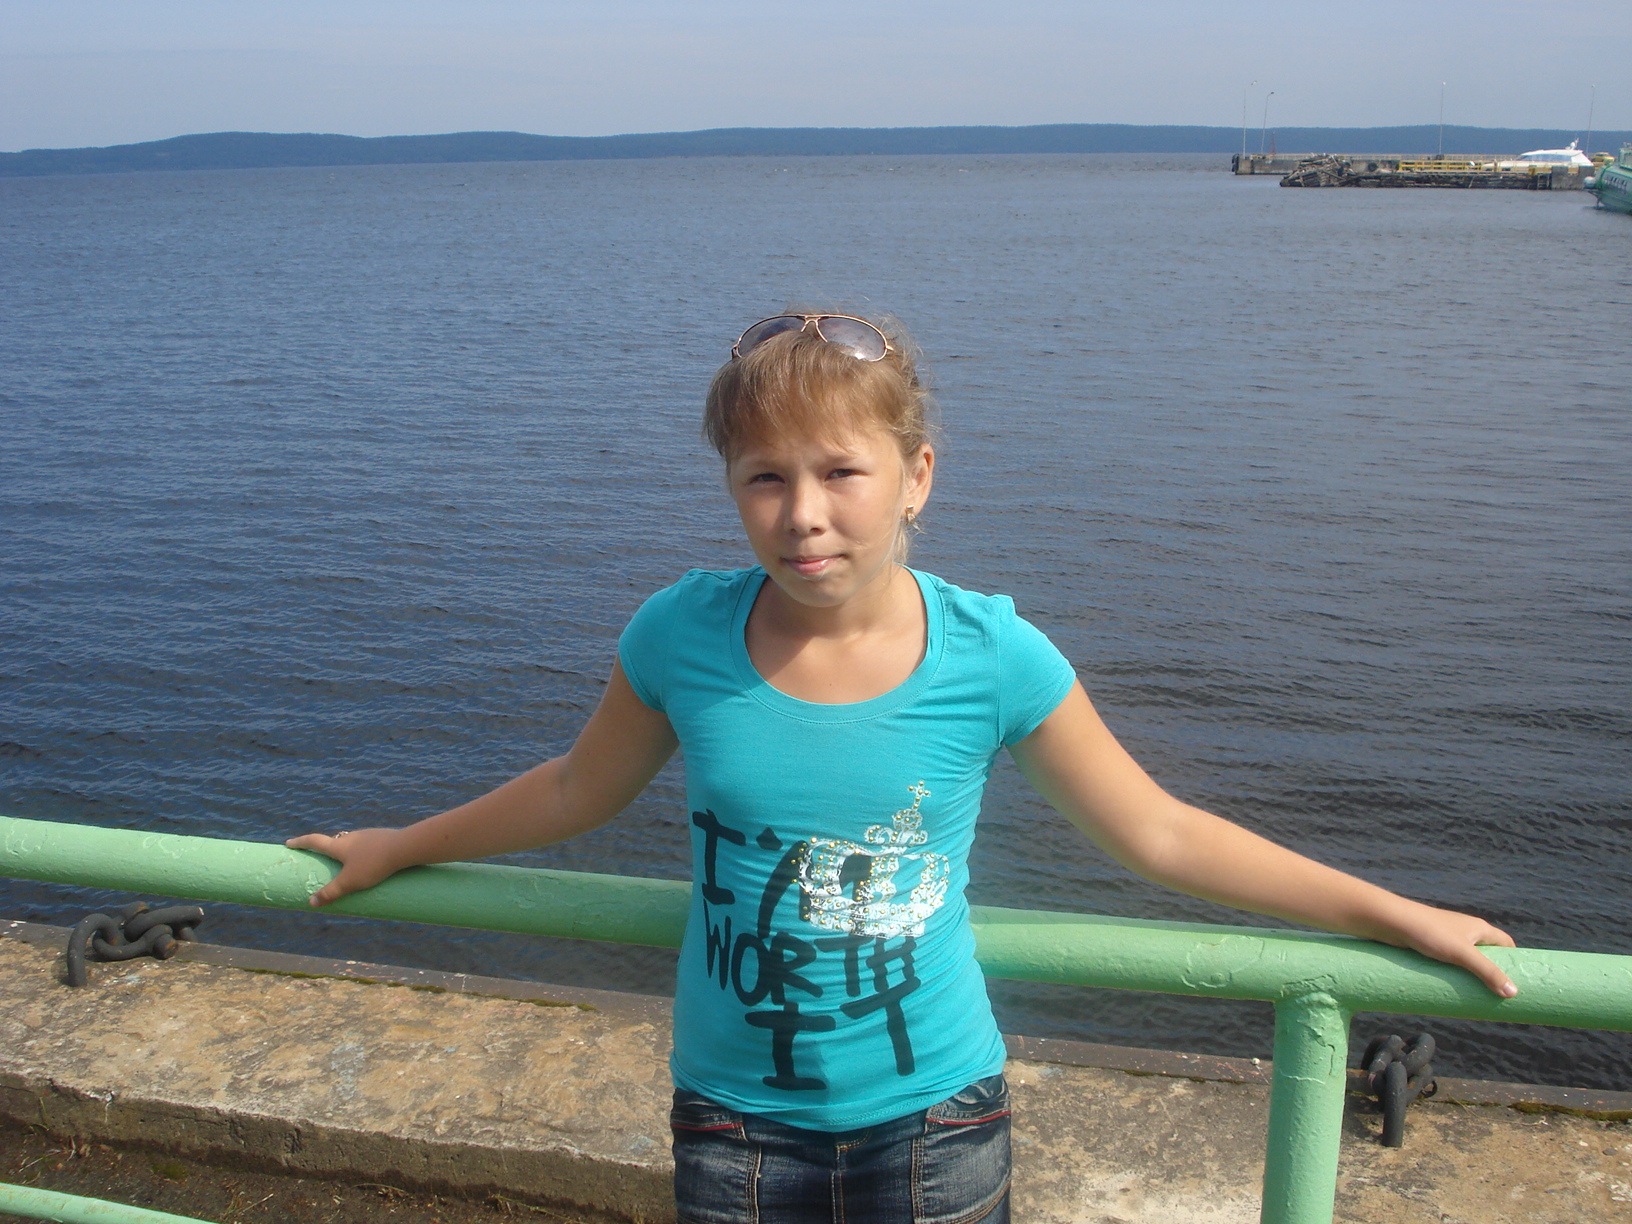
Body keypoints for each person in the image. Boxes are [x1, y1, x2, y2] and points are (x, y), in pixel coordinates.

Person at [286, 311, 1517, 1224]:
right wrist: (402, 846)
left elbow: (1161, 833)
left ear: (917, 475)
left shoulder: (991, 656)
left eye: (840, 471)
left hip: (938, 1123)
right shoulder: (680, 635)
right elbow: (573, 790)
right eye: (765, 477)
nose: (802, 514)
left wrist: (1393, 915)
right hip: (731, 1123)